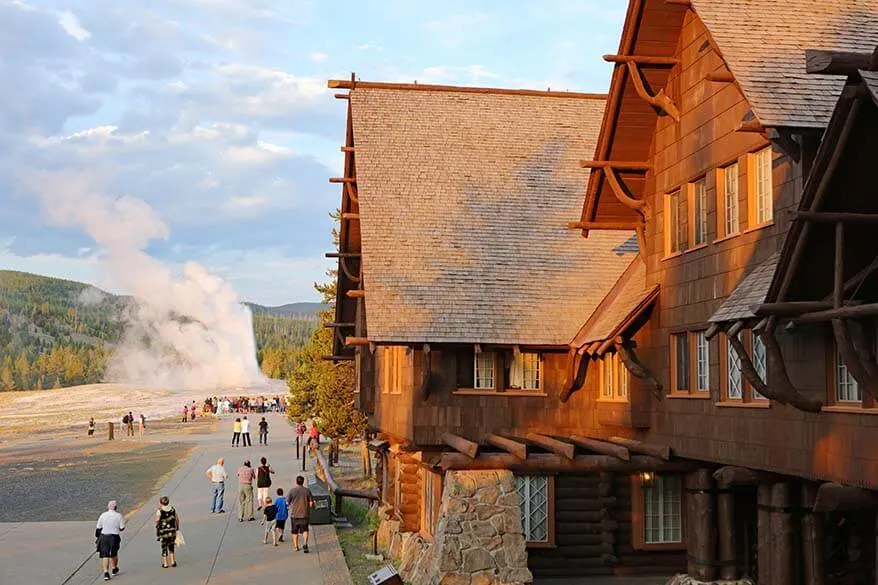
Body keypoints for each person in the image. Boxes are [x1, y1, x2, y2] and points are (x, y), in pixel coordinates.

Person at [95, 500, 126, 581]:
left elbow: (98, 527)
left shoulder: (103, 515)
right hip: (114, 537)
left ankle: (106, 572)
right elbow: (122, 528)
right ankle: (114, 568)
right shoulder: (119, 516)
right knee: (114, 554)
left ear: (108, 507)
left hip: (104, 536)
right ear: (116, 507)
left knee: (105, 555)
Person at [286, 475, 314, 553]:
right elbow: (311, 503)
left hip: (294, 515)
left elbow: (287, 502)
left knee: (295, 532)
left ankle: (296, 546)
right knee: (305, 530)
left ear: (296, 482)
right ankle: (305, 544)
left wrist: (289, 507)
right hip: (305, 514)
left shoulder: (292, 491)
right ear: (303, 482)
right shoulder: (307, 491)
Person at [154, 496, 180, 568]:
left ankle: (165, 563)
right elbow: (177, 519)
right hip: (172, 530)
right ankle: (173, 561)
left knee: (164, 546)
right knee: (171, 545)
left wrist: (156, 526)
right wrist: (177, 528)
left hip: (163, 532)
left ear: (161, 503)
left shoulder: (159, 511)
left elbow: (157, 520)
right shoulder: (172, 509)